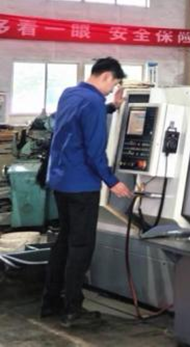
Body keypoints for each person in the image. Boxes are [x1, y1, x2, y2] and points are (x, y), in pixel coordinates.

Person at [41, 58, 134, 328]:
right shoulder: (93, 102)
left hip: (61, 181)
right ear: (106, 76)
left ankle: (51, 302)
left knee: (64, 241)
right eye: (112, 85)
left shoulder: (70, 94)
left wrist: (112, 107)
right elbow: (95, 151)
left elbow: (77, 119)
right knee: (81, 247)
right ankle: (73, 309)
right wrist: (112, 181)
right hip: (83, 185)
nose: (111, 90)